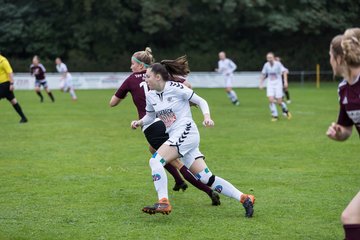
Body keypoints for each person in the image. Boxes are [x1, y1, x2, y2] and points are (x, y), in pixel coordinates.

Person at [131, 56, 255, 217]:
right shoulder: (151, 95)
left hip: (186, 131)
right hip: (177, 135)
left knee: (155, 160)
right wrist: (139, 122)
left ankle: (163, 201)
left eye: (147, 76)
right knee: (206, 178)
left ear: (157, 77)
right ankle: (245, 198)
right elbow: (149, 116)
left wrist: (207, 117)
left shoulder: (175, 87)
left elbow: (201, 101)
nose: (145, 79)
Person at [109, 48, 220, 206]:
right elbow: (187, 84)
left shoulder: (131, 79)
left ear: (141, 66)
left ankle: (207, 191)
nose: (131, 67)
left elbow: (112, 103)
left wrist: (127, 93)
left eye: (132, 64)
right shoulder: (158, 74)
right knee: (153, 150)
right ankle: (179, 180)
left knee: (174, 162)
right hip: (166, 122)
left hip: (152, 127)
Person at [326, 29, 360, 240]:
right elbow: (346, 129)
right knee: (351, 218)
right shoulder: (344, 89)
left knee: (351, 217)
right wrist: (338, 133)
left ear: (339, 58)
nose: (329, 60)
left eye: (330, 56)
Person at [259, 52, 292, 121]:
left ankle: (286, 111)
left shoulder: (278, 64)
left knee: (279, 102)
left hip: (278, 84)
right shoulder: (266, 65)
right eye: (268, 58)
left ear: (273, 58)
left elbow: (285, 71)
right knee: (271, 100)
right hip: (270, 84)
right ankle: (275, 116)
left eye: (270, 57)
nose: (269, 59)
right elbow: (263, 74)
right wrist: (261, 83)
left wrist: (285, 82)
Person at [0, 52, 28, 123]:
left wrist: (11, 83)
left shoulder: (3, 61)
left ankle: (24, 118)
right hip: (2, 85)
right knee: (13, 101)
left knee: (13, 101)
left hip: (5, 84)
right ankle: (24, 118)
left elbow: (10, 72)